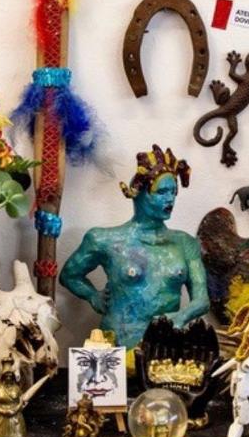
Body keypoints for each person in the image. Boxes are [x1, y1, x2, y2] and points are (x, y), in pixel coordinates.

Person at [60, 145, 209, 350]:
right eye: (161, 192)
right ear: (138, 193)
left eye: (173, 192)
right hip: (118, 344)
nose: (170, 199)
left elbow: (201, 300)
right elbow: (69, 275)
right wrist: (93, 296)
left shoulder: (185, 244)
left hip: (163, 349)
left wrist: (181, 317)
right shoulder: (105, 240)